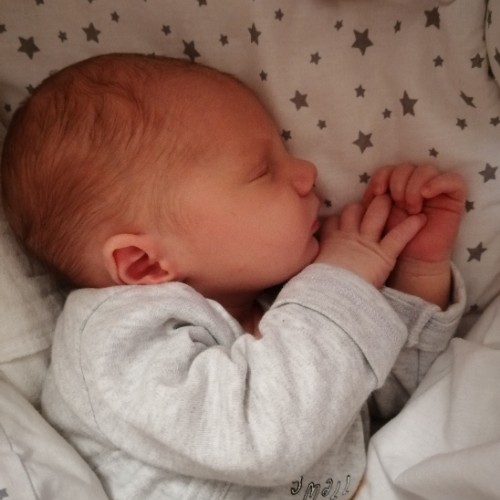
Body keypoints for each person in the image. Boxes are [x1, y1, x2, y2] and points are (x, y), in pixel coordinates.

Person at [1, 53, 466, 499]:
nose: (307, 173)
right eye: (262, 171)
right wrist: (340, 283)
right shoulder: (111, 343)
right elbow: (267, 438)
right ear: (143, 263)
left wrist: (417, 269)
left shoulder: (283, 308)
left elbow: (386, 399)